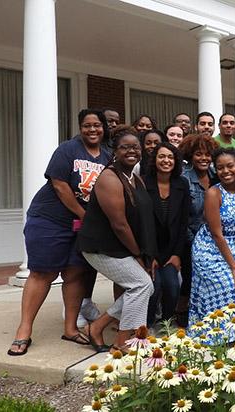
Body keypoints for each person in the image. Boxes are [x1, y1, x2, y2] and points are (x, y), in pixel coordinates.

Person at [8, 109, 111, 356]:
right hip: (50, 220)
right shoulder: (67, 150)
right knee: (43, 272)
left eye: (97, 125)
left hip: (82, 226)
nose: (92, 130)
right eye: (87, 125)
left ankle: (70, 328)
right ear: (80, 127)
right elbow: (60, 185)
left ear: (104, 128)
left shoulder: (107, 156)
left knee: (75, 273)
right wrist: (84, 215)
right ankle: (24, 331)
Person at [78, 127, 157, 352]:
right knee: (141, 284)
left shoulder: (135, 179)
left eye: (136, 147)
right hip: (100, 247)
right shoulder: (109, 178)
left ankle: (98, 326)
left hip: (120, 246)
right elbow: (119, 224)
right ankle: (122, 342)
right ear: (115, 151)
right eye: (125, 147)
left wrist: (147, 253)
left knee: (144, 286)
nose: (131, 151)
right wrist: (138, 254)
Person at [188, 148, 235, 339]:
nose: (225, 171)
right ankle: (216, 332)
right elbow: (216, 233)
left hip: (233, 245)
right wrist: (234, 268)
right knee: (229, 282)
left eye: (230, 166)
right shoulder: (214, 193)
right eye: (220, 168)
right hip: (209, 248)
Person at [144, 142, 191, 327]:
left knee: (172, 287)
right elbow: (141, 224)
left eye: (170, 157)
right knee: (153, 289)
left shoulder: (182, 184)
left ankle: (167, 326)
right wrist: (149, 256)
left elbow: (183, 223)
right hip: (150, 249)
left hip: (172, 249)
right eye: (161, 156)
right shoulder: (143, 182)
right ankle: (145, 326)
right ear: (154, 159)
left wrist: (177, 254)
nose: (166, 160)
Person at [177, 133, 219, 326]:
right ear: (190, 156)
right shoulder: (184, 179)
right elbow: (181, 217)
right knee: (189, 278)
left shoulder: (216, 176)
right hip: (191, 238)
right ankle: (182, 310)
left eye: (207, 154)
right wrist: (194, 242)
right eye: (199, 154)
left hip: (214, 238)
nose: (204, 158)